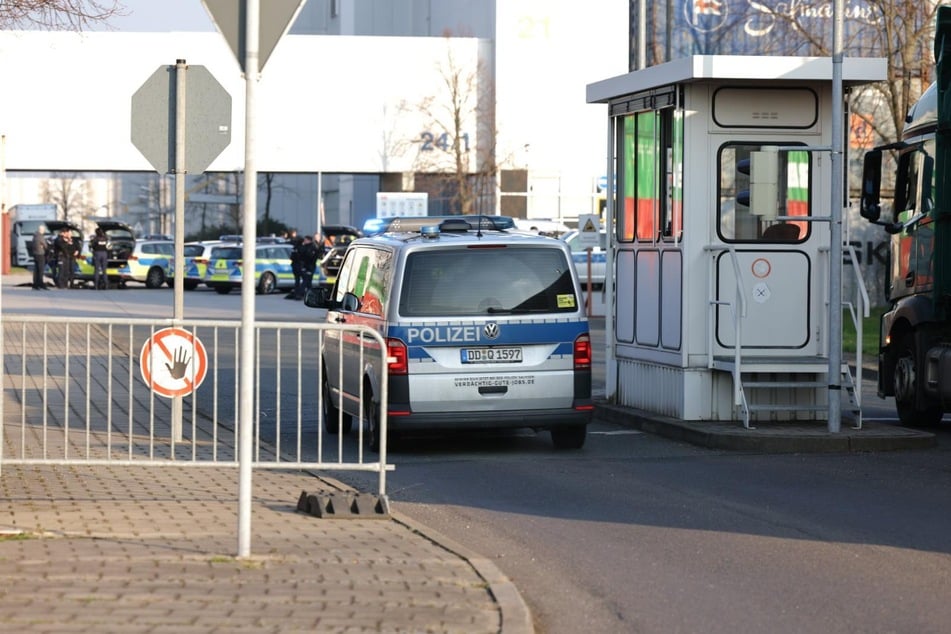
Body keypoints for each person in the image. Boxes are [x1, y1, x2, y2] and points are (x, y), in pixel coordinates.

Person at [293, 234, 320, 300]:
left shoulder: (312, 247)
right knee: (308, 281)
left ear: (309, 240)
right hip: (304, 266)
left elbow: (312, 258)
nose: (304, 241)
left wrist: (309, 268)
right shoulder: (304, 247)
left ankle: (302, 294)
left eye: (305, 240)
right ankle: (309, 296)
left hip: (310, 266)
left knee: (307, 281)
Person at [285, 229, 303, 299]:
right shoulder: (301, 248)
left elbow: (291, 257)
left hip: (294, 265)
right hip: (299, 265)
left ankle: (297, 292)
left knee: (297, 280)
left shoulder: (294, 248)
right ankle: (299, 293)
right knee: (304, 280)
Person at [31, 224, 49, 290]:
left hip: (35, 254)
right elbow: (45, 246)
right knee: (40, 270)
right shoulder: (40, 236)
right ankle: (40, 283)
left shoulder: (34, 236)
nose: (44, 231)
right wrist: (44, 247)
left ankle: (35, 284)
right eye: (44, 230)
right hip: (40, 254)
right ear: (42, 230)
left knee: (36, 270)